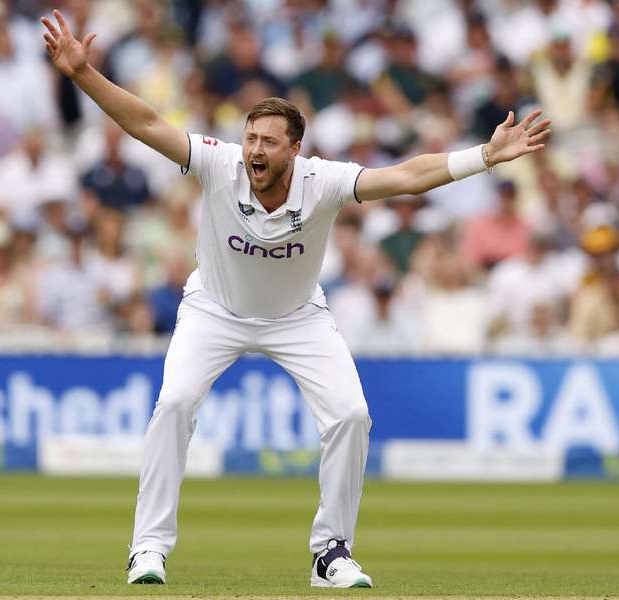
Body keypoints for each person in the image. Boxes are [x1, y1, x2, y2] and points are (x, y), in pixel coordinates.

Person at [41, 9, 551, 589]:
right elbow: (147, 122)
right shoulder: (218, 161)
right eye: (249, 138)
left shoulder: (324, 180)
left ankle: (330, 552)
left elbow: (407, 176)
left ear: (294, 149)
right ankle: (148, 548)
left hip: (297, 317)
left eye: (267, 142)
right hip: (214, 310)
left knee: (352, 416)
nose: (254, 150)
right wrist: (83, 76)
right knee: (175, 403)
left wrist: (483, 157)